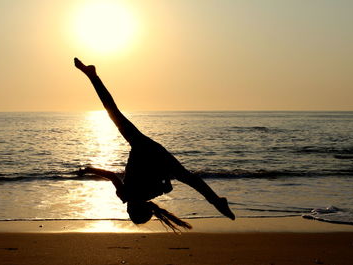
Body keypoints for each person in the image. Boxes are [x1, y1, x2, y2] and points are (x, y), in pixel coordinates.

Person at [74, 58, 235, 231]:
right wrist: (89, 170)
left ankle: (215, 200)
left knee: (190, 179)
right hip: (143, 148)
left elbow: (167, 185)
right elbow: (111, 175)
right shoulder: (125, 195)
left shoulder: (151, 194)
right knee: (113, 112)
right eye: (130, 213)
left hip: (159, 156)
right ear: (133, 209)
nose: (127, 211)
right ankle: (92, 76)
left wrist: (165, 178)